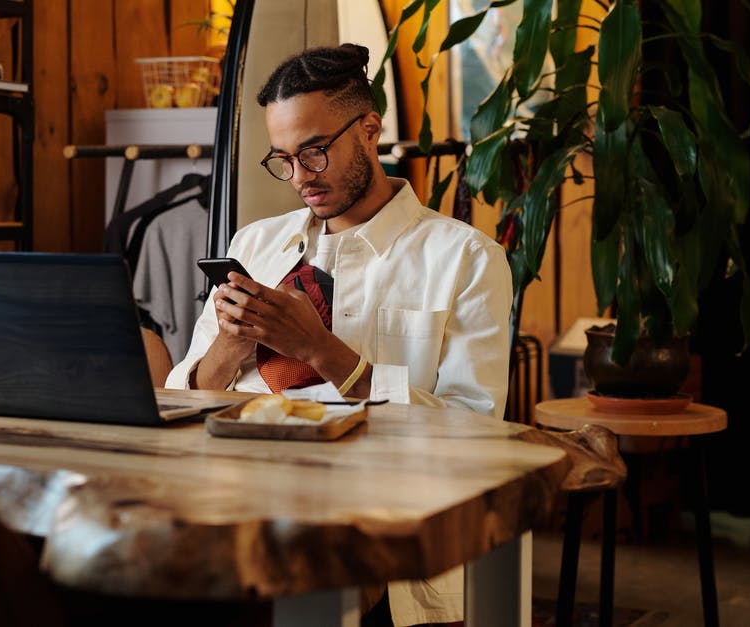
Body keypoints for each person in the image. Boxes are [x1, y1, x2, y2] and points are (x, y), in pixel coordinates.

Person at [165, 43, 513, 626]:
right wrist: (233, 342)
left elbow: (472, 432)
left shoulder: (467, 260)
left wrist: (321, 351)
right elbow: (187, 396)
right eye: (283, 159)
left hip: (382, 526)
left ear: (370, 129)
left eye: (315, 152)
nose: (300, 177)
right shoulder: (254, 245)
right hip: (239, 512)